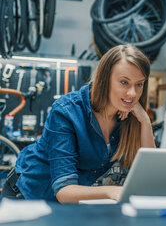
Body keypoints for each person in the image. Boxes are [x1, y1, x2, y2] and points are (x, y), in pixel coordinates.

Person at [1, 44, 156, 203]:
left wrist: (145, 121)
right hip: (26, 196)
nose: (133, 93)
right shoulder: (66, 111)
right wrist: (113, 191)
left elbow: (151, 174)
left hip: (65, 204)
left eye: (139, 84)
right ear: (105, 80)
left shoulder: (129, 115)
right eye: (124, 82)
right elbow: (64, 191)